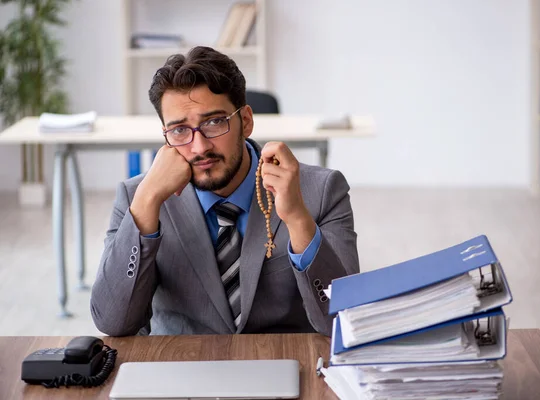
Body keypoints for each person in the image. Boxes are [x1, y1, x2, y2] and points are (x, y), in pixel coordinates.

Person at [90, 46, 359, 337]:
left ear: (245, 121)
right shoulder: (138, 198)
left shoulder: (322, 191)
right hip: (181, 366)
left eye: (215, 122)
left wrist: (297, 219)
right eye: (180, 130)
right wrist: (146, 201)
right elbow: (112, 323)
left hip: (281, 364)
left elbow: (345, 322)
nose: (200, 147)